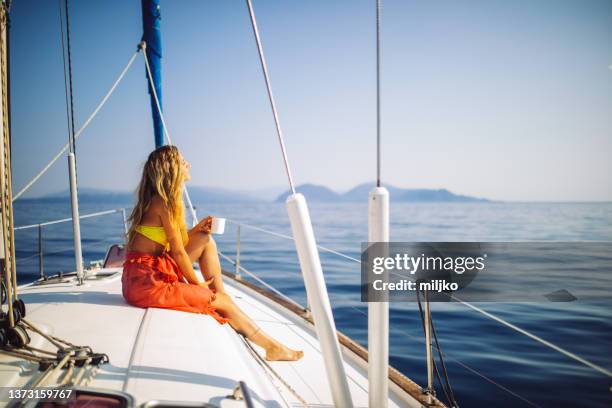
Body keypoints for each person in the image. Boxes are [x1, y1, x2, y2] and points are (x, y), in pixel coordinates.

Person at [122, 145, 303, 362]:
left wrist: (196, 229)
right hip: (147, 284)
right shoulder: (165, 203)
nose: (188, 164)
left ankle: (219, 295)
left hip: (145, 273)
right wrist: (196, 284)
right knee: (220, 300)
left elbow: (172, 245)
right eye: (182, 161)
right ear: (171, 169)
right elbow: (178, 253)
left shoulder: (164, 200)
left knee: (206, 240)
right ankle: (271, 347)